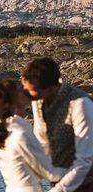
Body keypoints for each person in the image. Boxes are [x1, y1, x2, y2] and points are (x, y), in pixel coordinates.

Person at [21, 57, 93, 192]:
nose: (25, 93)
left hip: (85, 184)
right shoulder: (38, 99)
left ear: (50, 88)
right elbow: (42, 143)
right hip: (56, 181)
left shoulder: (80, 104)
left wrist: (59, 189)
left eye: (30, 90)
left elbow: (85, 160)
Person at [0, 79, 67, 191]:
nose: (24, 91)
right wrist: (80, 168)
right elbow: (50, 173)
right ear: (14, 102)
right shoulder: (21, 134)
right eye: (19, 90)